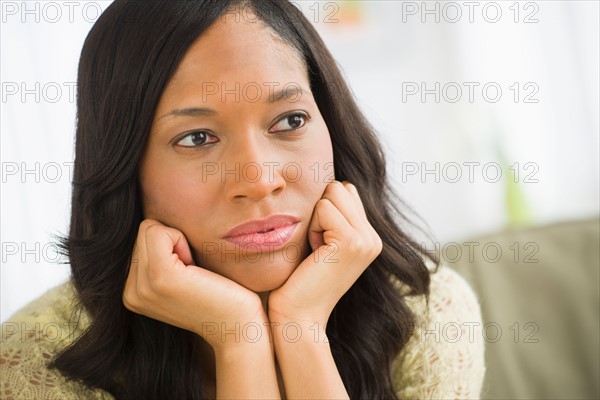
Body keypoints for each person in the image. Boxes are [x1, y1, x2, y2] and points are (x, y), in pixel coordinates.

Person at [0, 1, 485, 399]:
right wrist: (240, 339)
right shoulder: (34, 361)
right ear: (125, 167)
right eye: (196, 138)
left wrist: (300, 330)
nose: (258, 179)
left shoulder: (428, 315)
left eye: (290, 121)